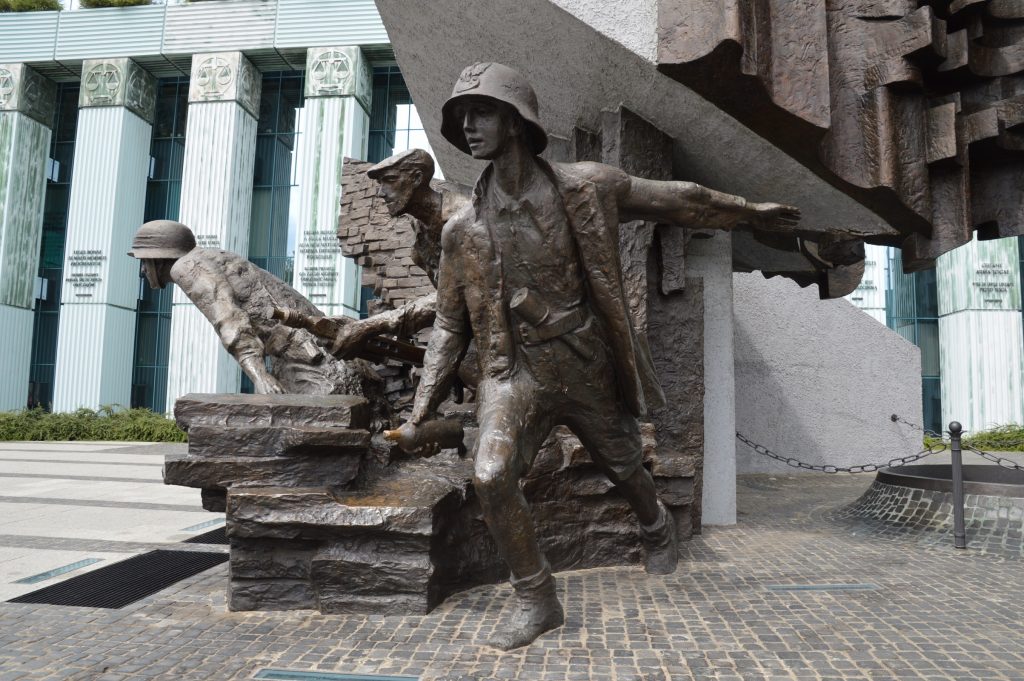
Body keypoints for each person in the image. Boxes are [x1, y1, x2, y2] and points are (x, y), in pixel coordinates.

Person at [393, 62, 801, 650]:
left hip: (584, 359)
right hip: (515, 374)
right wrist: (416, 413)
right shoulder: (462, 231)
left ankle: (656, 525)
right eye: (461, 117)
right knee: (490, 474)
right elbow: (450, 327)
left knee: (624, 464)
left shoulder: (585, 187)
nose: (469, 125)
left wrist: (750, 211)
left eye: (481, 112)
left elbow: (678, 201)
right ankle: (537, 598)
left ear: (515, 120)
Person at [128, 220, 367, 396]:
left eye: (143, 261)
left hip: (310, 361)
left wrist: (260, 376)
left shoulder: (186, 267)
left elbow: (229, 320)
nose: (141, 271)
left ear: (158, 258)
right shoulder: (211, 256)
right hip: (310, 351)